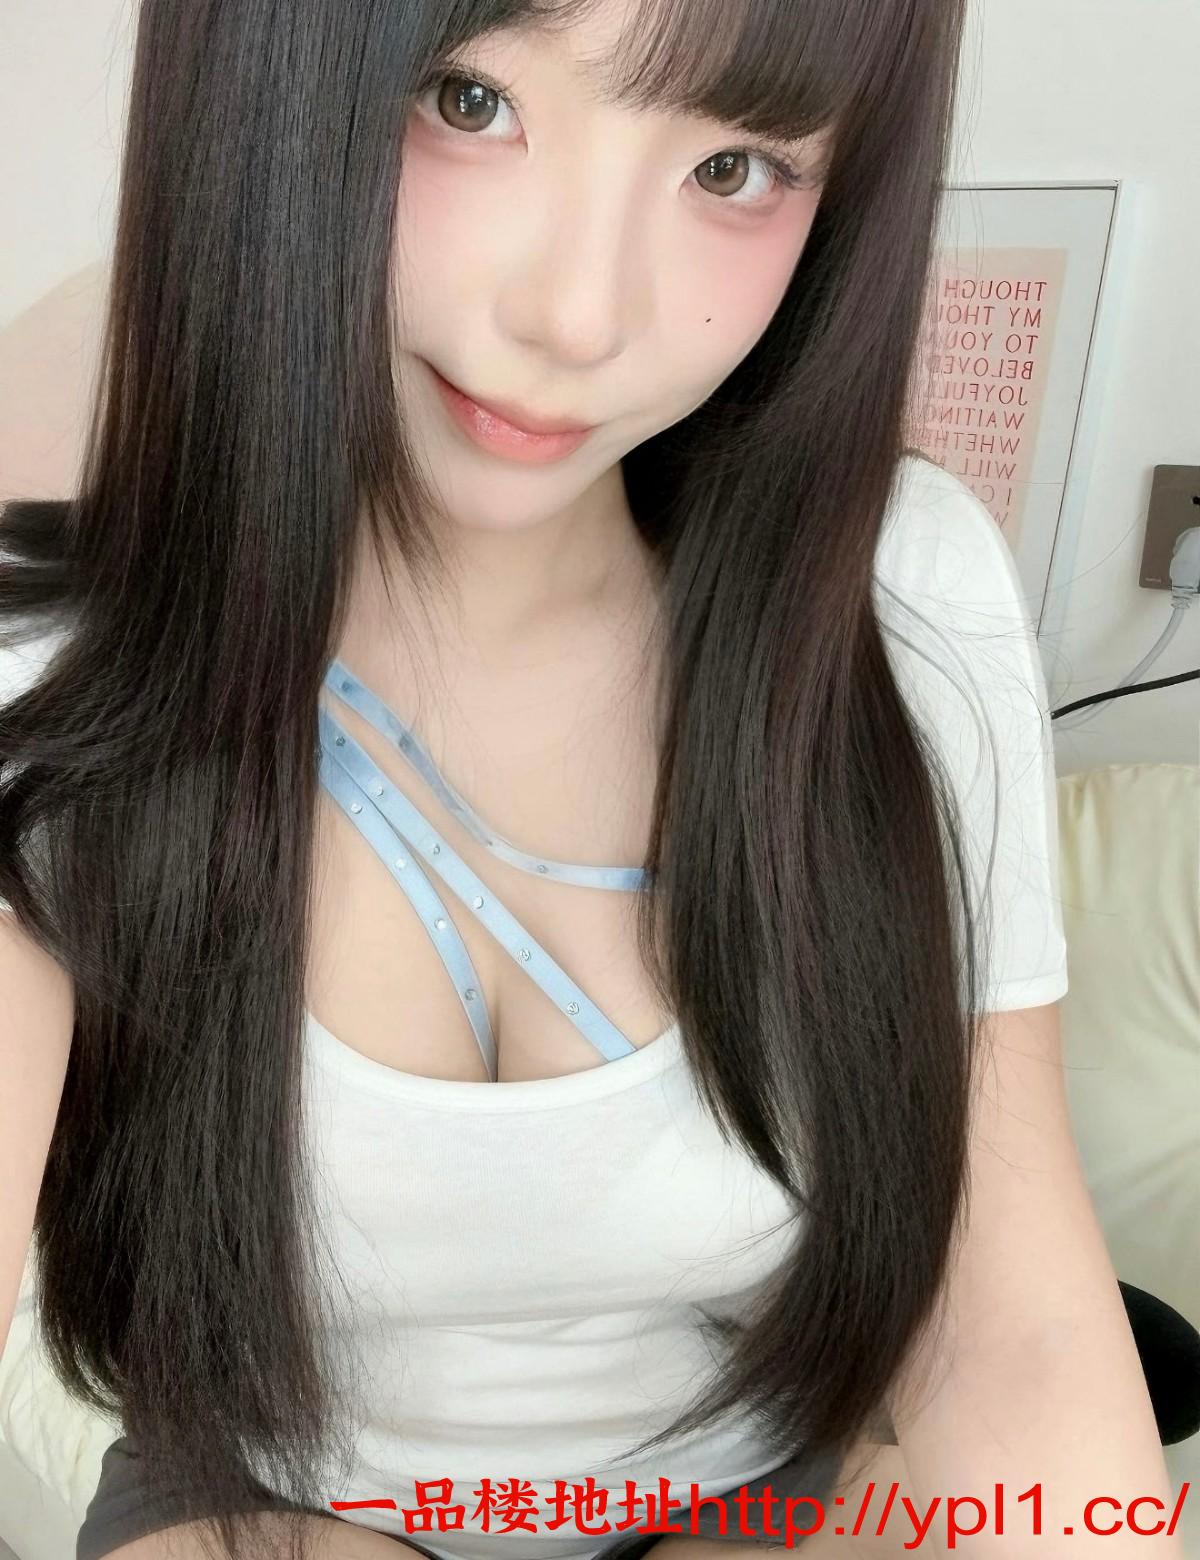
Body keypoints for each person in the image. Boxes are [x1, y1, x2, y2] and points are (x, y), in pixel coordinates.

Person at [0, 1, 1182, 1558]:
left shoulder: (893, 602)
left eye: (735, 167)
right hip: (264, 1496)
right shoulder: (49, 653)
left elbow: (1010, 1322)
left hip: (760, 1488)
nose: (578, 317)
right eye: (466, 99)